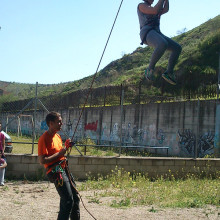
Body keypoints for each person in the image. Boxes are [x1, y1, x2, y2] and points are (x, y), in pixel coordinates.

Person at [38, 111, 80, 220]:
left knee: (75, 198)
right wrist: (59, 154)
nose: (61, 124)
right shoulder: (43, 139)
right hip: (55, 171)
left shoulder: (57, 136)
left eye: (61, 122)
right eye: (59, 122)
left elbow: (60, 153)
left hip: (63, 167)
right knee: (67, 200)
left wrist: (66, 147)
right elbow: (42, 161)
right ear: (51, 123)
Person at [137, 0, 182, 85]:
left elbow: (165, 9)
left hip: (156, 32)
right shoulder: (141, 6)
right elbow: (154, 10)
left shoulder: (154, 8)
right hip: (147, 32)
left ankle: (169, 72)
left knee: (177, 48)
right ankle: (150, 69)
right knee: (162, 43)